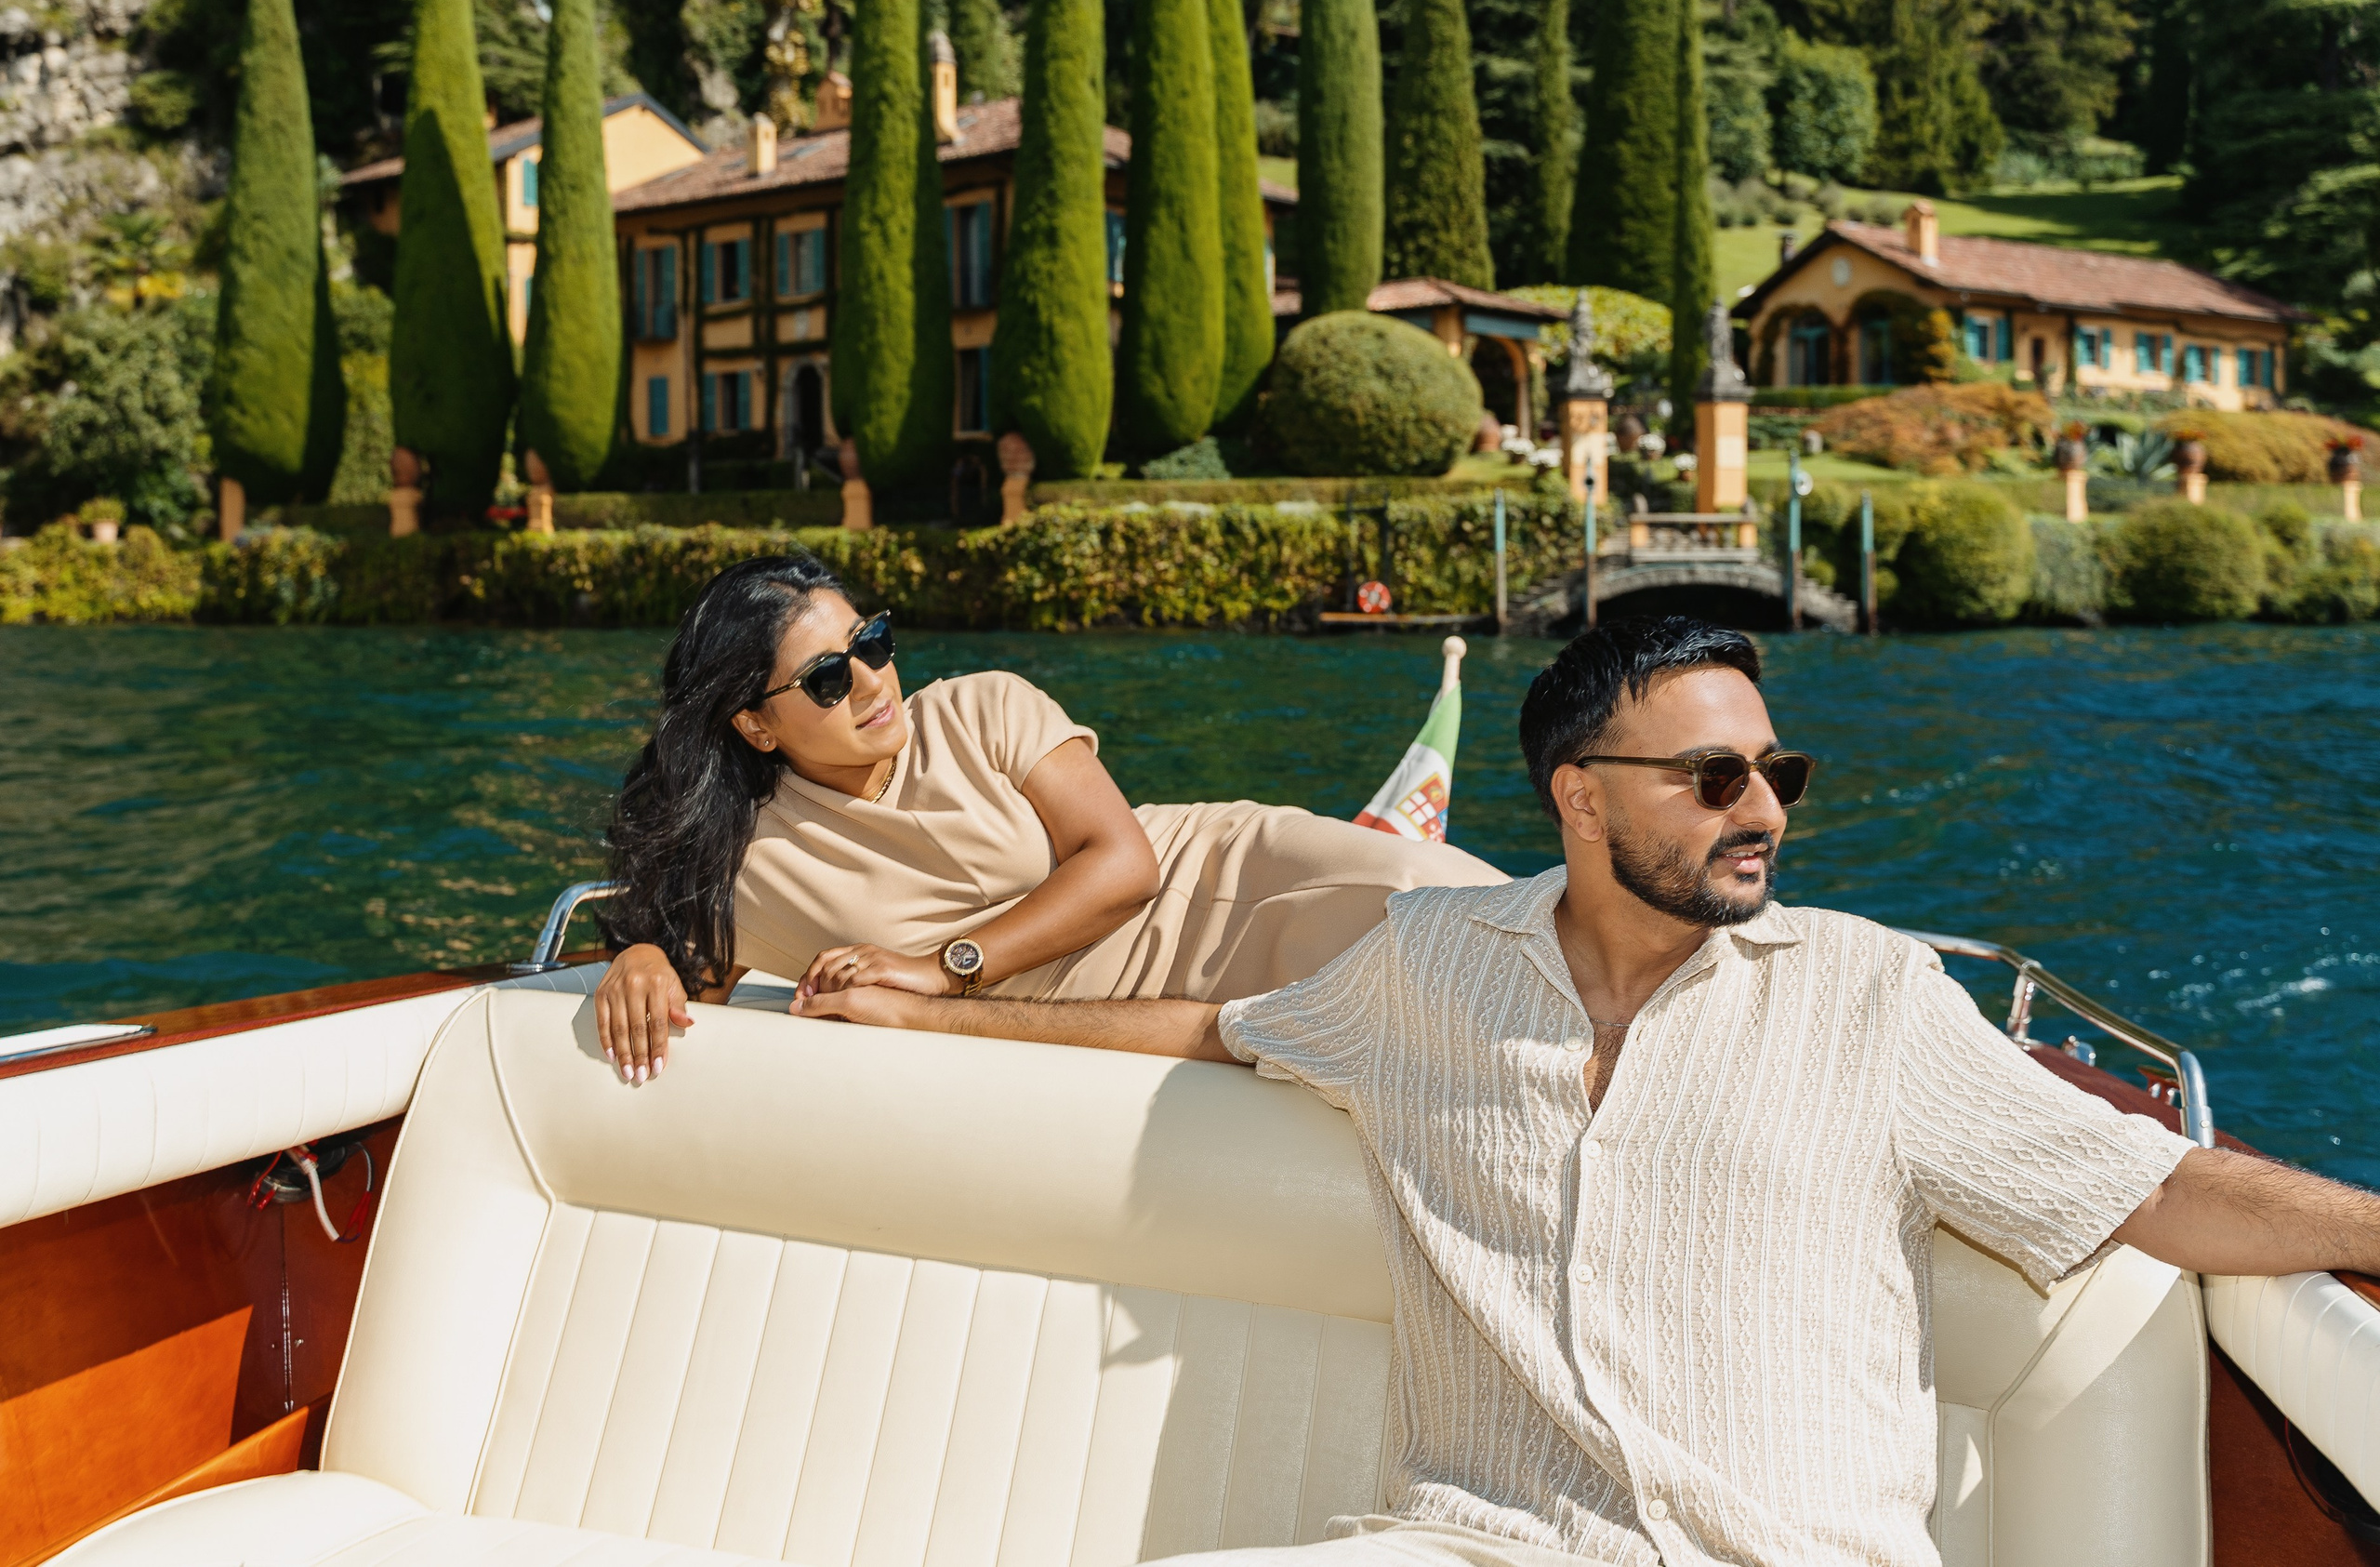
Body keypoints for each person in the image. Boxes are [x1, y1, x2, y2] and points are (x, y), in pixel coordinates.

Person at [797, 614, 2380, 1567]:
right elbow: (1212, 1026)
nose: (1760, 808)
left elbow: (2151, 1184)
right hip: (1481, 1544)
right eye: (1713, 779)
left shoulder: (1871, 989)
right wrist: (930, 1011)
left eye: (1777, 774)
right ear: (1575, 797)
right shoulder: (1426, 967)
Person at [595, 553, 1503, 1080]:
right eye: (829, 678)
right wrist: (638, 957)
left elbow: (1124, 862)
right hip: (1122, 1018)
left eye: (870, 643)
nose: (872, 681)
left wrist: (938, 970)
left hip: (1225, 878)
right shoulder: (748, 867)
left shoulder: (979, 707)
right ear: (753, 722)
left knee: (1458, 919)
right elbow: (687, 974)